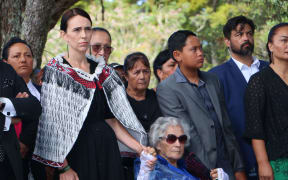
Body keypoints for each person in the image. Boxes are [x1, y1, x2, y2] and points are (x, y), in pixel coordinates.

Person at [32, 8, 148, 180]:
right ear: (64, 35)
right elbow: (51, 124)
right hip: (77, 152)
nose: (84, 35)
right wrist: (64, 168)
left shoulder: (103, 72)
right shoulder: (56, 71)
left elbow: (112, 121)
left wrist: (141, 149)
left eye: (88, 29)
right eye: (77, 30)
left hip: (107, 149)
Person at [156, 30, 245, 180]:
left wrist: (238, 167)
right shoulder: (167, 88)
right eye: (193, 49)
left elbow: (226, 126)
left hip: (227, 164)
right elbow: (186, 133)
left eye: (201, 48)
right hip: (198, 169)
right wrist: (207, 172)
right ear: (177, 55)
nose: (200, 53)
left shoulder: (213, 80)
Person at [209, 16, 268, 179]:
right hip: (241, 156)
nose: (246, 38)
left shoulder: (269, 68)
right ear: (227, 41)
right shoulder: (215, 76)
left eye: (249, 34)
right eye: (239, 34)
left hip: (277, 152)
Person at [244, 23, 288, 180]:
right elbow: (255, 128)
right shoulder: (258, 81)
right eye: (284, 40)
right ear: (270, 46)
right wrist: (263, 163)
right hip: (278, 161)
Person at [2, 37, 45, 179]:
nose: (23, 60)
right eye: (16, 56)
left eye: (28, 55)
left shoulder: (44, 92)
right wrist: (14, 108)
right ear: (5, 62)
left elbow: (35, 111)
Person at [135, 117, 228, 180]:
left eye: (182, 139)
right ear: (158, 143)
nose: (178, 144)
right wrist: (146, 169)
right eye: (171, 139)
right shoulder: (149, 165)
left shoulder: (189, 167)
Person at [120, 52, 162, 179]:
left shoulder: (156, 97)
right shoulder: (120, 100)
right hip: (124, 163)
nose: (142, 76)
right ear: (126, 76)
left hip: (153, 161)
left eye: (146, 71)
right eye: (136, 72)